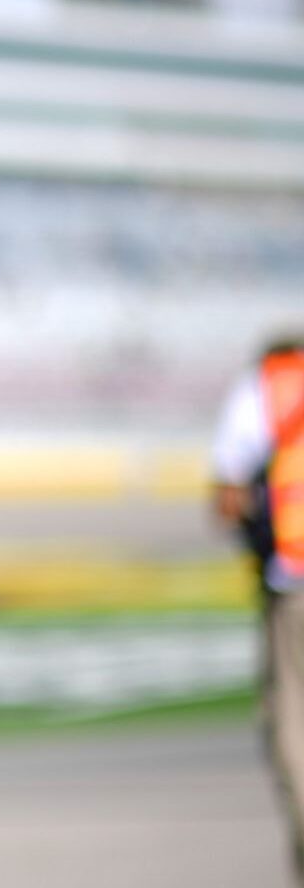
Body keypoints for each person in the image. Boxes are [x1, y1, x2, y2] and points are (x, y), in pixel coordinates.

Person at [212, 337, 304, 884]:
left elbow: (227, 495)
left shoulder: (267, 388)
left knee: (293, 725)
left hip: (293, 583)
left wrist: (255, 534)